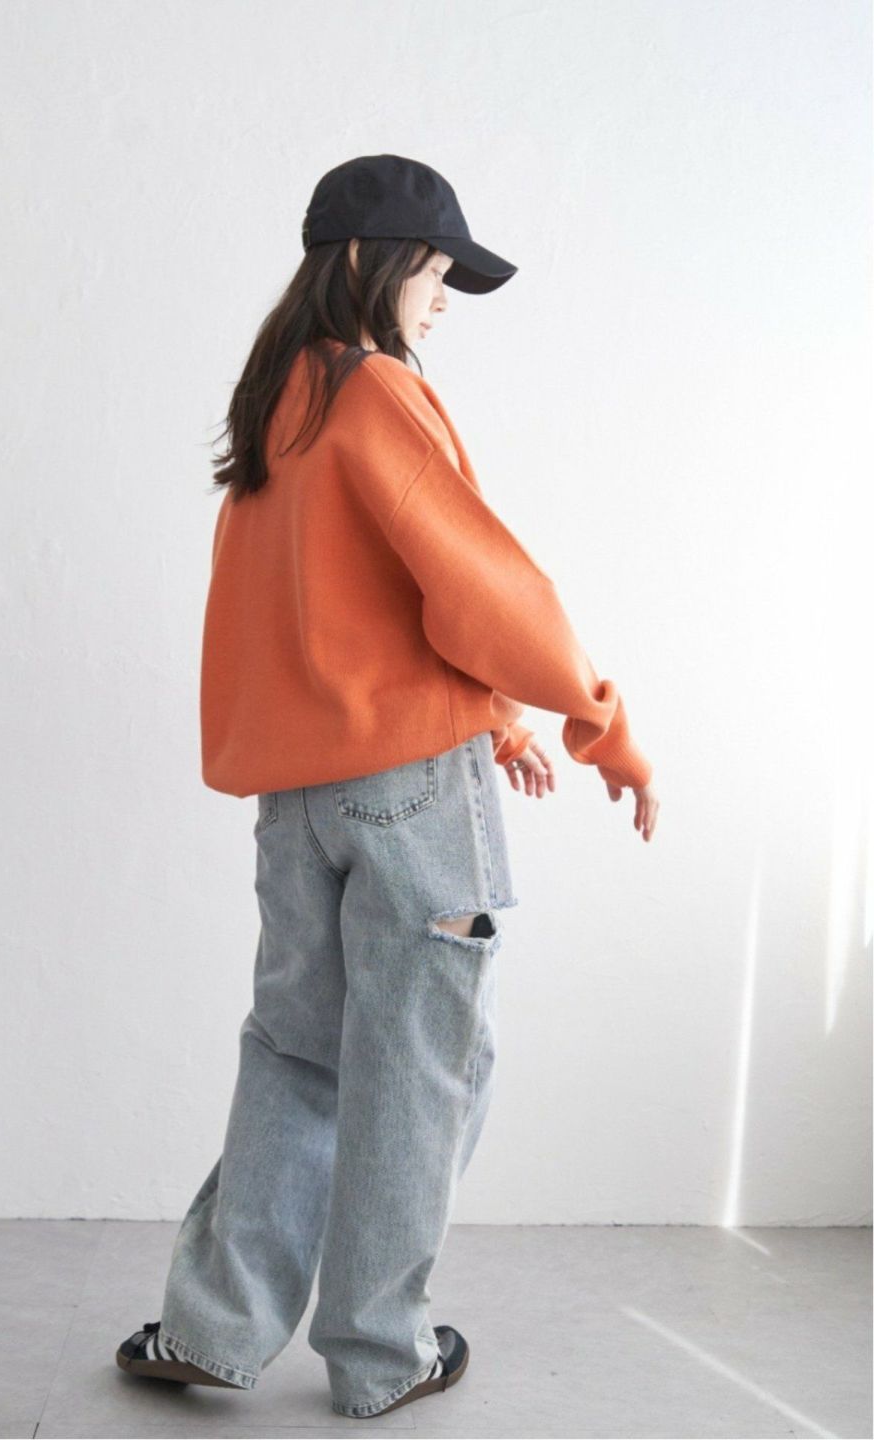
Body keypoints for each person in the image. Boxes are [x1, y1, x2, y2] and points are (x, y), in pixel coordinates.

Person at [115, 153, 659, 1421]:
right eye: (436, 272)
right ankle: (380, 1353)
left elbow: (335, 614)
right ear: (372, 262)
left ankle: (214, 1330)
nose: (445, 300)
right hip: (411, 803)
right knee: (422, 1068)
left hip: (299, 804)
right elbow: (480, 584)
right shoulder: (380, 393)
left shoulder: (280, 401)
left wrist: (493, 718)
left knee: (299, 1056)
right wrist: (596, 718)